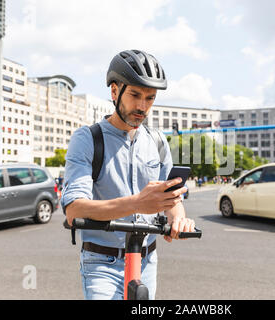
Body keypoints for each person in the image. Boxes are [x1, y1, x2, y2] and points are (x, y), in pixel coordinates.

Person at [61, 49, 195, 300]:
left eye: (150, 98)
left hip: (147, 261)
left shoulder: (157, 141)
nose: (142, 106)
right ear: (115, 91)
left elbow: (172, 199)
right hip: (102, 263)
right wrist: (137, 203)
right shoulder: (88, 139)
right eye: (135, 95)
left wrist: (179, 218)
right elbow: (74, 210)